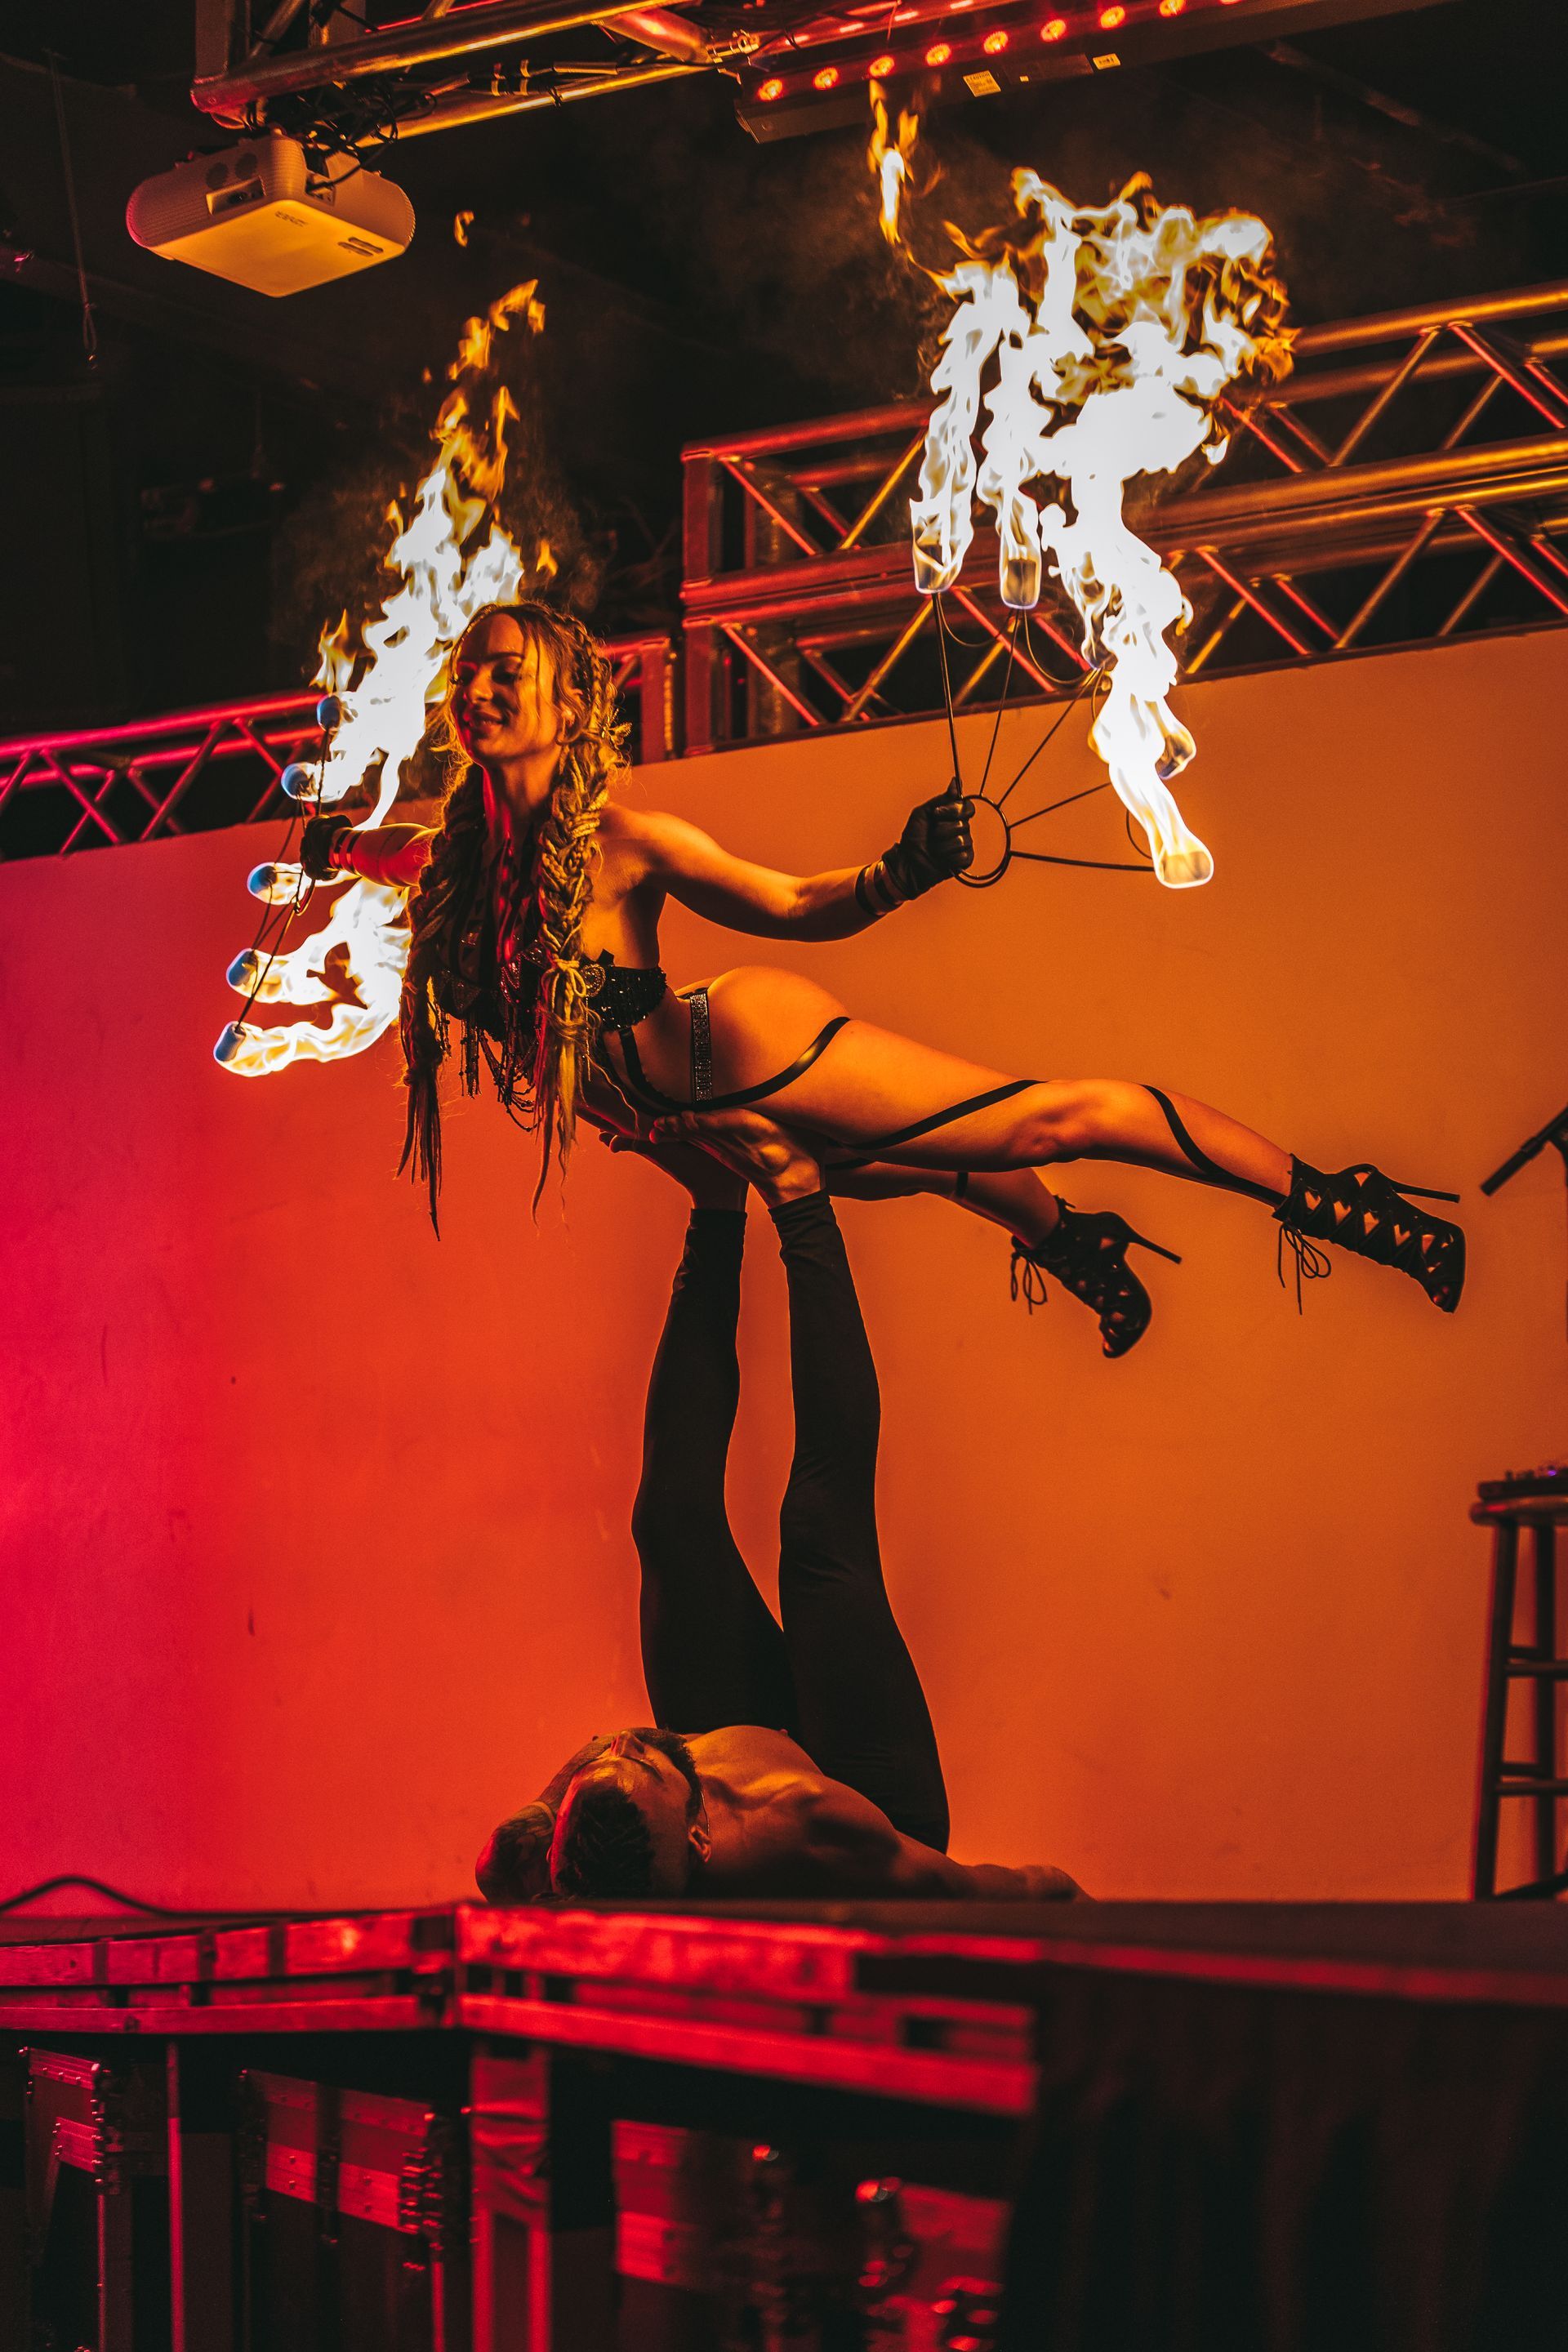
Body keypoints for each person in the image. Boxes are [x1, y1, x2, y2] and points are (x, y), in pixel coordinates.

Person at [302, 599, 1465, 1354]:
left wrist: (906, 869)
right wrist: (324, 846)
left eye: (511, 671)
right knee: (911, 1172)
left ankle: (1342, 1201)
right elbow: (367, 858)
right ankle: (1072, 1242)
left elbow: (799, 906)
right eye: (471, 672)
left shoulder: (626, 838)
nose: (483, 687)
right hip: (686, 1119)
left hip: (747, 1052)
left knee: (1042, 1122)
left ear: (569, 701)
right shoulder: (446, 861)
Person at [475, 1108, 1083, 1902]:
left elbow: (591, 1781)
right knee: (820, 1534)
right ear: (695, 1833)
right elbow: (1022, 1889)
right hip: (874, 1789)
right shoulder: (814, 1824)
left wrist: (568, 1798)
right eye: (645, 1760)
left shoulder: (603, 1810)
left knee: (666, 1525)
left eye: (610, 1761)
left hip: (730, 1746)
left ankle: (717, 1202)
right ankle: (799, 1192)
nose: (621, 1743)